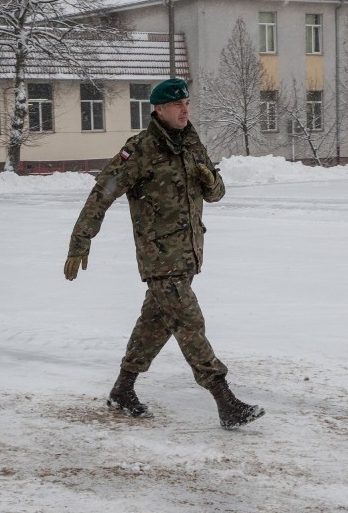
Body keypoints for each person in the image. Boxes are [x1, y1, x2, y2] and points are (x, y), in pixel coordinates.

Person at [64, 78, 265, 429]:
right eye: (176, 105)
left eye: (186, 102)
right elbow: (103, 192)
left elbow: (217, 193)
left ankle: (123, 389)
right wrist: (81, 240)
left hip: (187, 255)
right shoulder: (140, 149)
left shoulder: (191, 143)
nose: (184, 109)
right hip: (159, 258)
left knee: (154, 324)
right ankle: (225, 400)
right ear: (157, 109)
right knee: (189, 323)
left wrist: (209, 179)